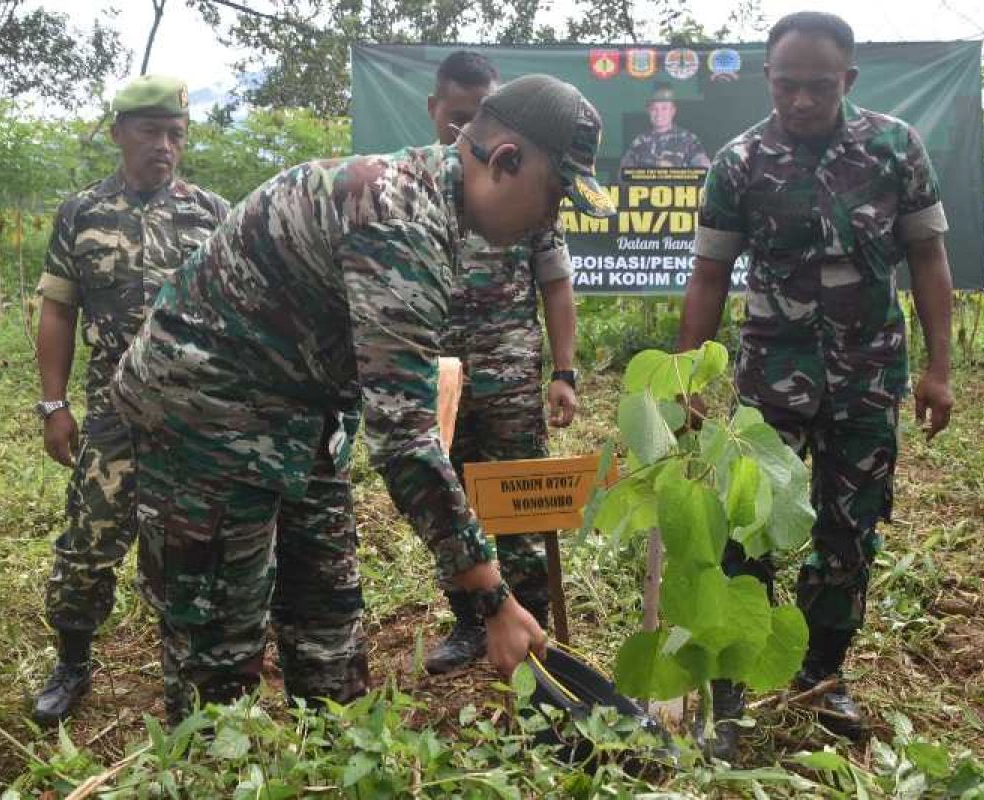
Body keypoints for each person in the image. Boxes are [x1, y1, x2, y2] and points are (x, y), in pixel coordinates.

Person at [110, 74, 616, 723]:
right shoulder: (401, 217)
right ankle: (208, 766)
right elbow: (404, 441)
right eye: (554, 195)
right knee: (219, 644)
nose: (551, 218)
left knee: (328, 612)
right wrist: (493, 599)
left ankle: (334, 750)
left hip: (300, 408)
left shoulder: (439, 207)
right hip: (204, 412)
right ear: (507, 160)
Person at [677, 11, 954, 756]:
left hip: (867, 382)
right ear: (768, 79)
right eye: (787, 85)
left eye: (819, 86)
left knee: (850, 536)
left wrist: (938, 368)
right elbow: (709, 274)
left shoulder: (896, 148)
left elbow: (927, 259)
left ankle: (822, 678)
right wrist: (686, 382)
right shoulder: (739, 162)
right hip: (771, 383)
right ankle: (728, 693)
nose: (800, 101)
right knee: (747, 533)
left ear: (849, 80)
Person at [30, 75, 229, 725]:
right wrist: (54, 406)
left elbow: (241, 312)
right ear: (118, 132)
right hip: (114, 408)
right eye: (149, 131)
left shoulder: (213, 213)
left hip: (191, 412)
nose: (164, 145)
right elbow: (57, 309)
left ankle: (189, 675)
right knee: (88, 543)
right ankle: (73, 661)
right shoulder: (82, 213)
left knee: (189, 550)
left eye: (175, 134)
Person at [421, 52, 580, 674]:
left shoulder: (526, 186)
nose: (465, 132)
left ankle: (529, 619)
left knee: (520, 498)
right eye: (456, 118)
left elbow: (557, 287)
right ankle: (469, 624)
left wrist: (563, 374)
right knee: (450, 495)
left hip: (511, 373)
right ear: (435, 110)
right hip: (442, 378)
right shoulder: (422, 191)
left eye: (476, 118)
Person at [619, 85, 710, 170]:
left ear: (673, 111)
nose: (659, 114)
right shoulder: (639, 141)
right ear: (649, 112)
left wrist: (673, 172)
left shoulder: (688, 139)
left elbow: (705, 170)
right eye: (654, 109)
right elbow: (623, 175)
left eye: (664, 108)